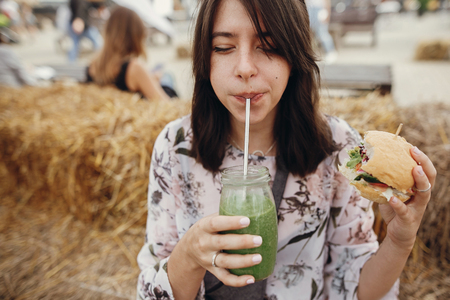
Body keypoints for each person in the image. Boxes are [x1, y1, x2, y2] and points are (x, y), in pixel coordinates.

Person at [136, 0, 436, 299]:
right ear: (205, 58)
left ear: (294, 55)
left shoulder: (338, 148)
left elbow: (355, 288)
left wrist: (398, 243)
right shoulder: (176, 146)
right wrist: (187, 256)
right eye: (224, 47)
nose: (244, 68)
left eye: (268, 45)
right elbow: (151, 292)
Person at [85, 6, 177, 101]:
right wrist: (154, 81)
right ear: (135, 36)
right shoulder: (134, 67)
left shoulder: (92, 65)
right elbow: (165, 102)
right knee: (167, 77)